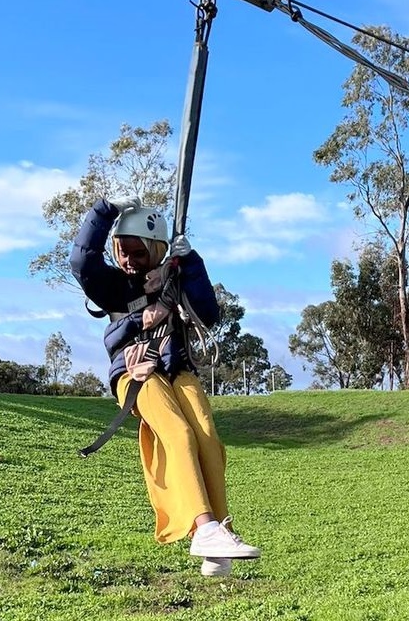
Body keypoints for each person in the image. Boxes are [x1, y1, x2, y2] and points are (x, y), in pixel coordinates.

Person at [70, 197, 261, 577]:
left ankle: (217, 539)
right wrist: (106, 209)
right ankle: (204, 526)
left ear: (157, 250)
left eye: (137, 253)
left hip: (178, 370)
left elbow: (208, 313)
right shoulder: (113, 286)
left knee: (207, 437)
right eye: (122, 252)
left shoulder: (174, 276)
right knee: (177, 433)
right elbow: (81, 263)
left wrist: (191, 262)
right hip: (135, 375)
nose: (128, 261)